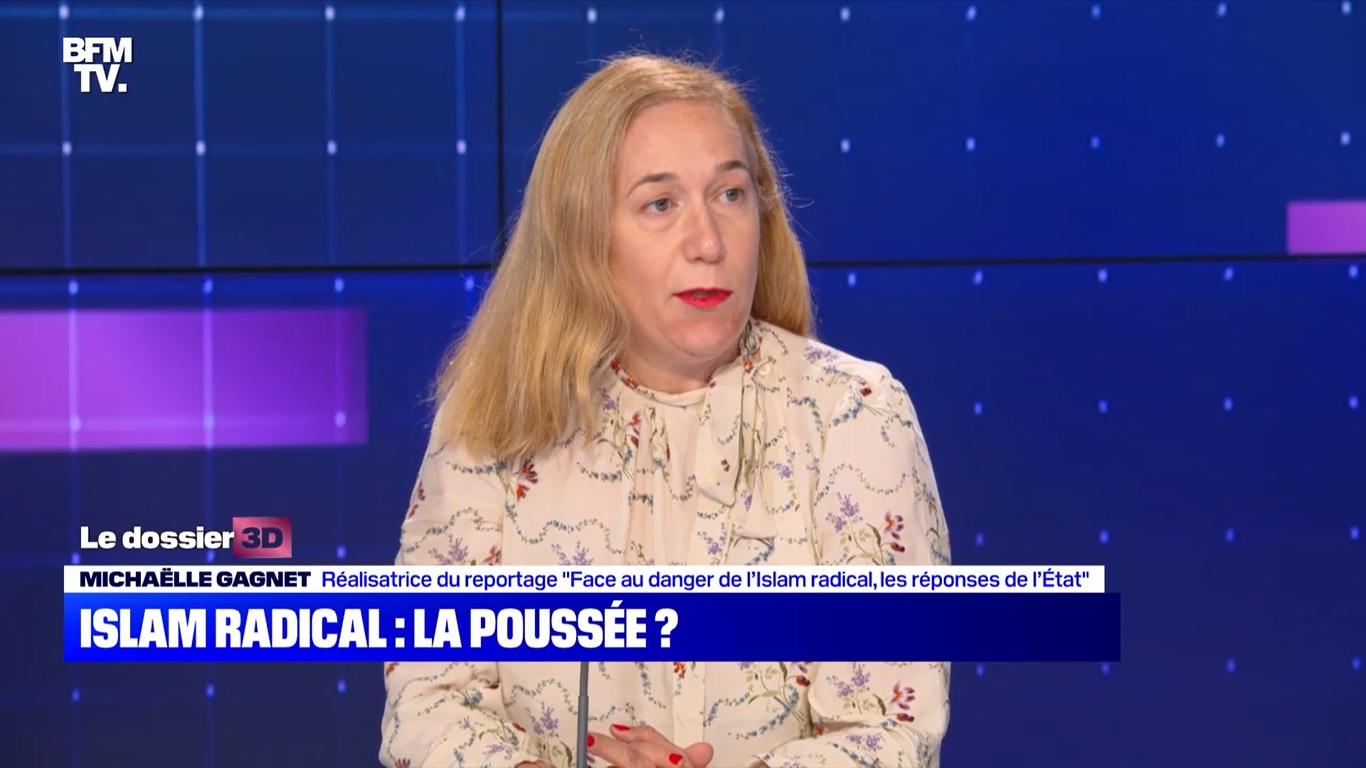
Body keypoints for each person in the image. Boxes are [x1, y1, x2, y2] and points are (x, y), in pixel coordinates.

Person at [379, 52, 951, 768]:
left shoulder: (856, 416)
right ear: (584, 236)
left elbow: (889, 732)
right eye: (660, 204)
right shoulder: (494, 419)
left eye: (730, 194)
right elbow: (429, 702)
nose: (708, 243)